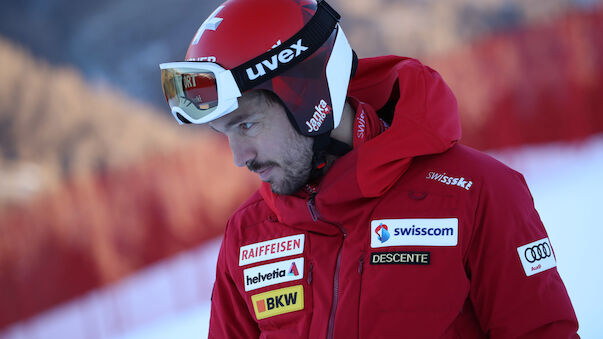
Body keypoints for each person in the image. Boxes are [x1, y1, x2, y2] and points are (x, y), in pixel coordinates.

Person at [159, 0, 579, 337]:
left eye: (247, 124)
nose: (239, 156)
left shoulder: (474, 192)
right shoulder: (249, 234)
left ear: (309, 98)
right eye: (224, 132)